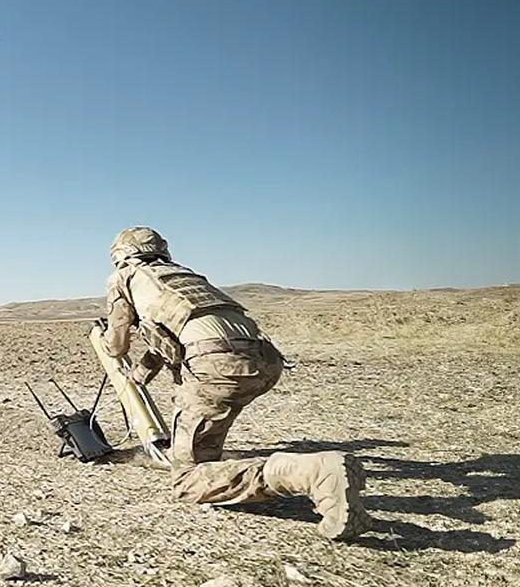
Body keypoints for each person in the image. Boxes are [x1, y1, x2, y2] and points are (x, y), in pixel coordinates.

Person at [102, 226, 372, 540]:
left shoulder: (124, 277)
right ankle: (220, 462)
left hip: (218, 369)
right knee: (203, 446)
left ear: (120, 255)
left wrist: (105, 342)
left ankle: (312, 473)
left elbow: (117, 345)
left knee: (188, 480)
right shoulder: (185, 278)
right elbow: (173, 337)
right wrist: (141, 373)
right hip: (263, 360)